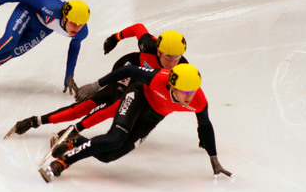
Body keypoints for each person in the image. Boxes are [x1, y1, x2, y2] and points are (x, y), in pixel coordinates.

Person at [39, 63, 233, 183]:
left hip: (153, 116)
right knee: (115, 138)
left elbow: (205, 126)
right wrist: (96, 85)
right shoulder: (158, 78)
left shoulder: (199, 100)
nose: (190, 97)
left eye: (193, 91)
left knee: (109, 156)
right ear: (172, 86)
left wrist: (214, 159)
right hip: (138, 96)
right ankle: (62, 163)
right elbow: (129, 70)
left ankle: (77, 142)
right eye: (185, 92)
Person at [4, 24, 189, 140]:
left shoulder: (182, 70)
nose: (173, 62)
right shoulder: (148, 44)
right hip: (127, 68)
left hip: (141, 83)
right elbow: (138, 28)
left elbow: (191, 98)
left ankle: (71, 128)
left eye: (177, 58)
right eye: (168, 57)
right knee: (104, 104)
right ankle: (38, 121)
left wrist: (202, 128)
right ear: (158, 51)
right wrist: (114, 38)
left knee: (116, 107)